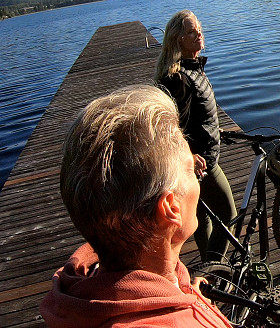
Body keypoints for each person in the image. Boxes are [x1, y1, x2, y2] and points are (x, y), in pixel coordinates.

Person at [40, 85, 231, 327]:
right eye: (191, 170)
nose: (197, 171)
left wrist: (188, 294)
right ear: (171, 209)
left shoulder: (81, 286)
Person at [156, 10, 236, 262]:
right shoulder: (178, 78)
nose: (198, 33)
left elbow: (193, 117)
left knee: (202, 217)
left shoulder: (192, 69)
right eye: (191, 31)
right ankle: (213, 270)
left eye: (199, 28)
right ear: (178, 38)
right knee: (228, 212)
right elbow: (169, 127)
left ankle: (207, 268)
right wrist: (189, 154)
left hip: (199, 157)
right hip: (201, 163)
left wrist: (216, 130)